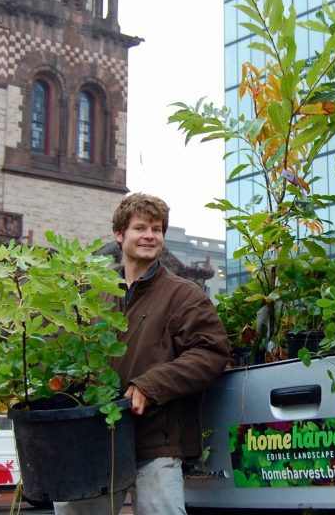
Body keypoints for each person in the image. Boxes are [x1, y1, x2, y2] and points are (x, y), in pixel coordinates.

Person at [54, 193, 230, 515]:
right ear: (119, 235)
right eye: (140, 228)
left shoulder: (184, 295)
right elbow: (70, 353)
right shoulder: (96, 295)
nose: (150, 235)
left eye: (156, 229)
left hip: (155, 440)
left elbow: (211, 352)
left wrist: (151, 385)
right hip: (96, 437)